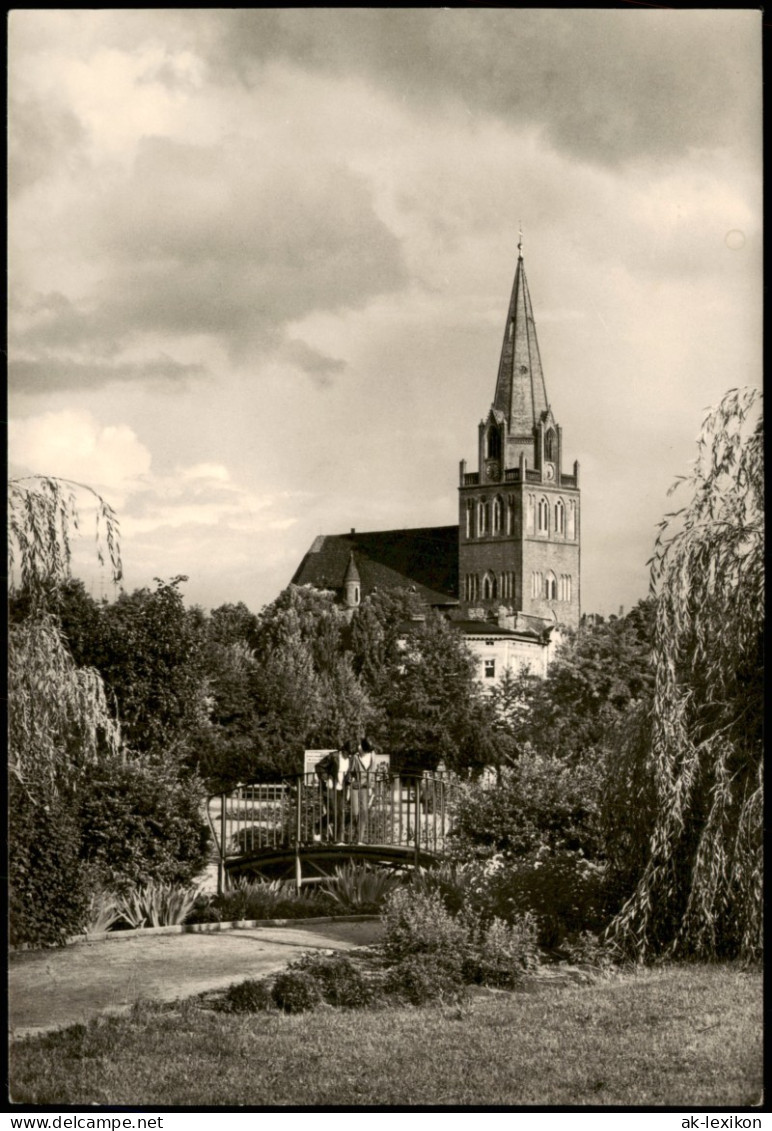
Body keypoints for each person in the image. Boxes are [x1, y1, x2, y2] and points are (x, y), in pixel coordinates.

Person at [349, 737, 374, 844]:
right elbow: (351, 771)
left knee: (363, 810)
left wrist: (370, 787)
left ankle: (359, 838)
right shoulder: (356, 756)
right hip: (355, 785)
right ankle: (357, 834)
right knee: (355, 811)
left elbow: (372, 772)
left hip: (365, 786)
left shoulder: (372, 755)